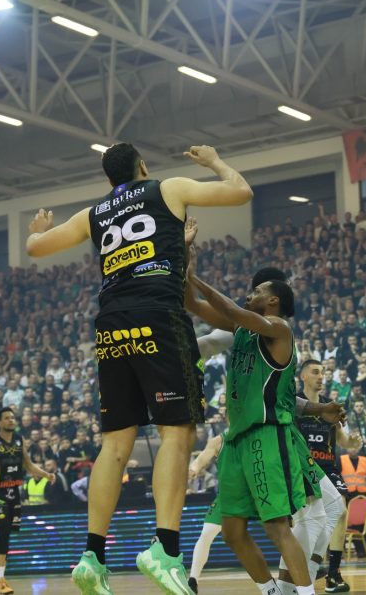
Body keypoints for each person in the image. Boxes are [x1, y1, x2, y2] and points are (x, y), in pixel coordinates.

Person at [25, 142, 252, 595]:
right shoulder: (168, 188)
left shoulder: (93, 214)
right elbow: (240, 191)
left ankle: (92, 555)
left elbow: (35, 248)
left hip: (111, 326)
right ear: (143, 167)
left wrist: (36, 231)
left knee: (114, 443)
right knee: (177, 430)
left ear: (110, 179)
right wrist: (214, 163)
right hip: (158, 315)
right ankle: (165, 549)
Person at [185, 266, 316, 595]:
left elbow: (230, 308)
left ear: (273, 300)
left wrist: (199, 278)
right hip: (236, 439)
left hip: (266, 435)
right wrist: (185, 263)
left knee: (276, 527)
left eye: (257, 292)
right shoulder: (242, 329)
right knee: (231, 531)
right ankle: (271, 592)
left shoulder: (280, 330)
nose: (249, 295)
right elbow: (194, 305)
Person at [296, 359, 360, 593]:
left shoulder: (330, 406)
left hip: (328, 466)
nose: (321, 376)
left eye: (323, 372)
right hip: (303, 468)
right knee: (310, 520)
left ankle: (333, 572)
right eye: (315, 372)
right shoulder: (294, 403)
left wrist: (351, 442)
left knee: (341, 510)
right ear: (303, 376)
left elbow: (342, 438)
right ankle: (311, 565)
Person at [0, 407, 52, 594]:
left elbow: (27, 463)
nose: (11, 420)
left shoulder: (20, 440)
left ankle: (0, 578)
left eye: (13, 417)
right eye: (6, 418)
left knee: (7, 534)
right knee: (3, 530)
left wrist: (45, 474)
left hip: (14, 492)